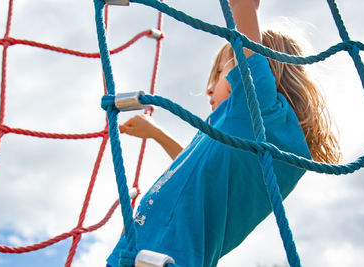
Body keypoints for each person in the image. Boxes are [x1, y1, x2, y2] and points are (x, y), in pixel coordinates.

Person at [106, 0, 341, 266]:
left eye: (219, 72)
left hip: (158, 255)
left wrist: (244, 11)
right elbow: (197, 173)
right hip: (146, 253)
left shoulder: (255, 111)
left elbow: (244, 9)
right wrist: (158, 134)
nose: (209, 88)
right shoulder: (254, 134)